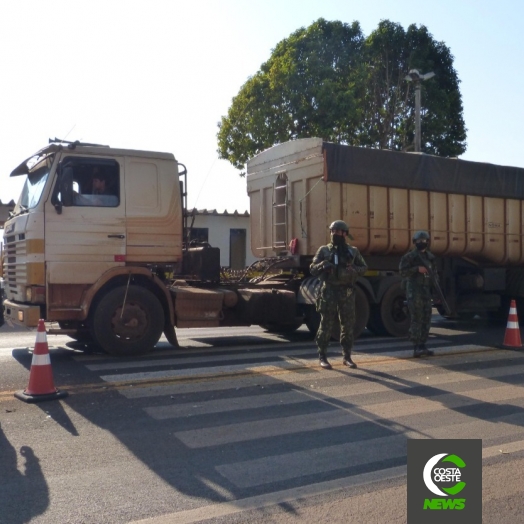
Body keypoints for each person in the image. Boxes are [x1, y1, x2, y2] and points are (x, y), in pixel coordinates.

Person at [309, 220, 368, 369]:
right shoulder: (324, 250)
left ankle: (347, 356)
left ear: (345, 234)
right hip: (329, 290)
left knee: (348, 325)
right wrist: (323, 265)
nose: (335, 234)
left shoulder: (352, 251)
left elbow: (364, 267)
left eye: (338, 232)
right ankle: (322, 355)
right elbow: (312, 269)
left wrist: (353, 270)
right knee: (326, 324)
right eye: (333, 231)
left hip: (346, 292)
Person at [399, 230, 436, 357]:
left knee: (427, 318)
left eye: (424, 241)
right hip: (414, 292)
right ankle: (416, 346)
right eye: (419, 241)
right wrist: (416, 269)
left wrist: (435, 282)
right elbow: (402, 272)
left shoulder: (430, 257)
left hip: (426, 291)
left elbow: (434, 273)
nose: (422, 243)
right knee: (417, 319)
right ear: (415, 242)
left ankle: (423, 345)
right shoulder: (409, 257)